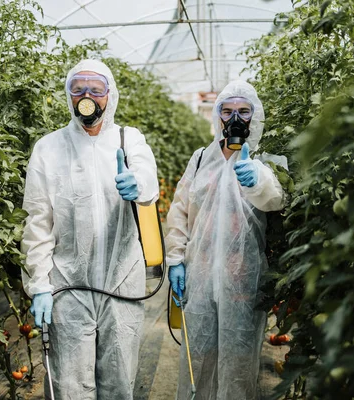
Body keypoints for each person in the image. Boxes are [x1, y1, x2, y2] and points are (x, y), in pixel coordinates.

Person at [21, 59, 159, 399]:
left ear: (109, 96)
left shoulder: (129, 140)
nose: (87, 96)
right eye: (78, 88)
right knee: (70, 384)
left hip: (122, 279)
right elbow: (37, 221)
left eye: (95, 90)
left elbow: (149, 181)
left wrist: (137, 184)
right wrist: (39, 284)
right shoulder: (49, 148)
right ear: (68, 96)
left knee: (119, 379)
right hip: (69, 283)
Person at [165, 80, 287, 400]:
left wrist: (257, 180)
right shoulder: (201, 158)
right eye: (228, 110)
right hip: (200, 274)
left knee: (238, 360)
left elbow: (276, 199)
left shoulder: (264, 159)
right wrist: (176, 259)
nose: (235, 118)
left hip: (242, 279)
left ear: (254, 116)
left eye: (244, 111)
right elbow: (180, 210)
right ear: (217, 116)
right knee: (200, 358)